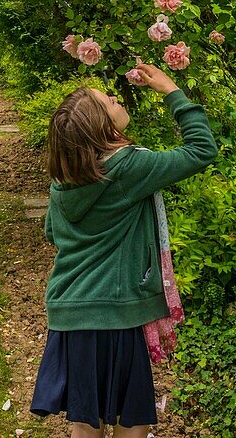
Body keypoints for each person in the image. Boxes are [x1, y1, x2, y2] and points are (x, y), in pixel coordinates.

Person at [30, 62, 218, 437]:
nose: (116, 98)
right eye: (108, 101)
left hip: (70, 313)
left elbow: (53, 232)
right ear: (103, 126)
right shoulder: (128, 167)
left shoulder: (64, 176)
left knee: (86, 418)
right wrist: (172, 92)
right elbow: (201, 149)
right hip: (115, 314)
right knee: (133, 418)